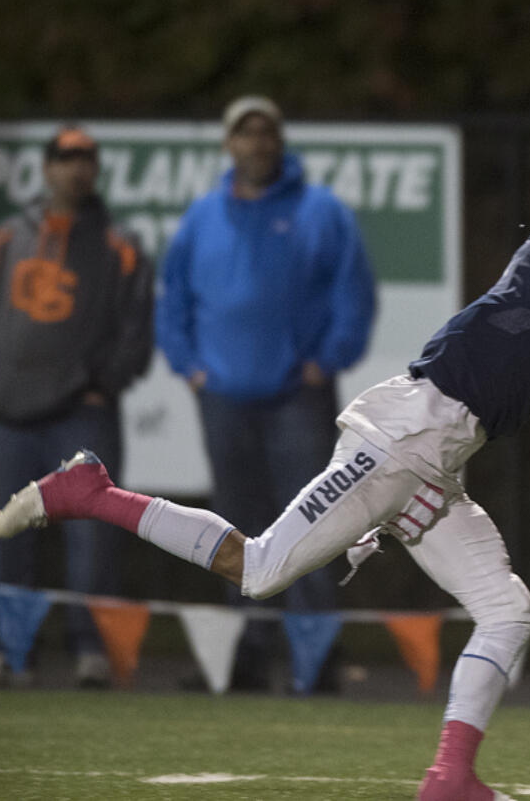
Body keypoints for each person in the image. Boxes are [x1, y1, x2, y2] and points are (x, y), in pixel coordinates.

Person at [0, 60, 530, 801]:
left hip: (441, 455)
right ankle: (89, 492)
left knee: (508, 612)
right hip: (407, 433)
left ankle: (452, 775)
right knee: (263, 568)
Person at [155, 95, 377, 691]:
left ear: (280, 142)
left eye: (266, 134)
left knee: (313, 521)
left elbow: (352, 297)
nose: (256, 144)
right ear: (228, 144)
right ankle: (243, 657)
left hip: (295, 398)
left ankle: (316, 659)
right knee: (233, 527)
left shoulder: (321, 211)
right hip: (222, 396)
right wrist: (189, 367)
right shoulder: (203, 217)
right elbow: (173, 301)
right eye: (245, 134)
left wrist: (325, 363)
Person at [0, 126, 153, 689]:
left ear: (96, 170)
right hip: (7, 413)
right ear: (46, 169)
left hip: (81, 413)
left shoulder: (120, 242)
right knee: (6, 533)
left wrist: (102, 383)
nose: (76, 168)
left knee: (93, 537)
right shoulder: (7, 237)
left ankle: (90, 648)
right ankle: (11, 649)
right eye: (65, 158)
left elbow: (136, 327)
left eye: (86, 159)